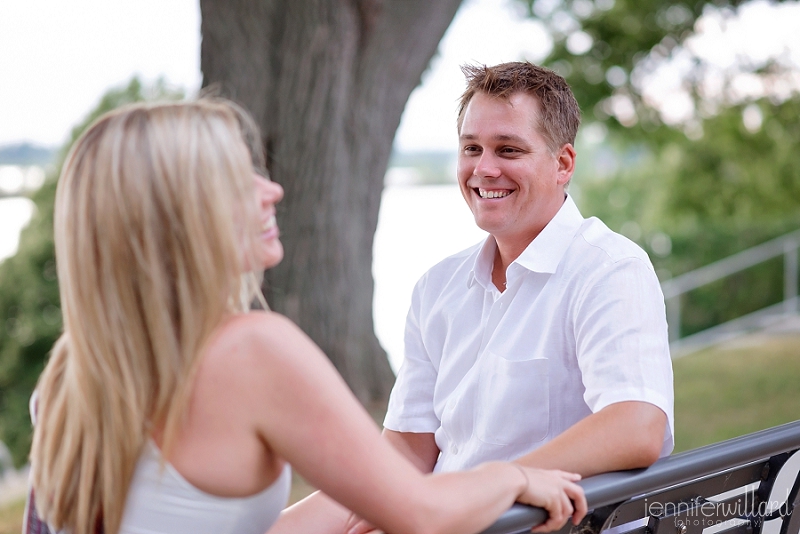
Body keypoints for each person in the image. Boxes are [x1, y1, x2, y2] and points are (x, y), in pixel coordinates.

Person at [24, 99, 587, 534]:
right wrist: (512, 475)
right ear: (175, 216)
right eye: (234, 179)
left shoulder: (72, 373)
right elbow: (425, 517)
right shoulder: (251, 351)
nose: (271, 189)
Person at [280, 61, 674, 534]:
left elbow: (636, 424)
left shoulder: (608, 269)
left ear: (563, 163)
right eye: (472, 148)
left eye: (508, 149)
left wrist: (499, 482)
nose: (484, 169)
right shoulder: (437, 288)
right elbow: (405, 454)